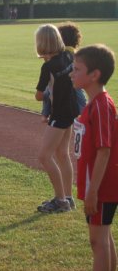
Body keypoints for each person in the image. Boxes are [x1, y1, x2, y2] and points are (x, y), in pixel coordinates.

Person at [59, 44, 118, 271]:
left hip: (102, 186)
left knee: (98, 241)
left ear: (94, 74)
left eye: (77, 69)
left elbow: (105, 150)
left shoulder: (102, 105)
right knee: (104, 238)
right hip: (97, 185)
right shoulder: (93, 103)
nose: (72, 73)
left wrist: (93, 191)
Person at [34, 24, 78, 213]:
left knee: (44, 156)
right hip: (71, 111)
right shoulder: (68, 56)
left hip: (59, 114)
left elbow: (39, 95)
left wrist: (46, 95)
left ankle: (60, 200)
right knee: (62, 154)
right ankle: (68, 197)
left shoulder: (48, 67)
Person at [40, 22, 87, 123]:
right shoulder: (72, 51)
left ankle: (45, 114)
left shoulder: (61, 51)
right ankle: (84, 115)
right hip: (72, 80)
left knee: (48, 92)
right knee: (80, 97)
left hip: (62, 80)